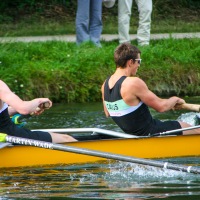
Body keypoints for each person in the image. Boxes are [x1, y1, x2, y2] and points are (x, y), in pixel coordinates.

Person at [101, 43, 200, 136]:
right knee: (196, 129)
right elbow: (161, 107)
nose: (139, 65)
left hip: (131, 135)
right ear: (131, 62)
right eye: (139, 61)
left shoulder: (105, 84)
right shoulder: (132, 83)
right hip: (151, 132)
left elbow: (108, 112)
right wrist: (175, 99)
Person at [0, 80, 77, 143]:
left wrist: (17, 109)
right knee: (66, 139)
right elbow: (24, 109)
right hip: (10, 134)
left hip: (5, 134)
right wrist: (39, 101)